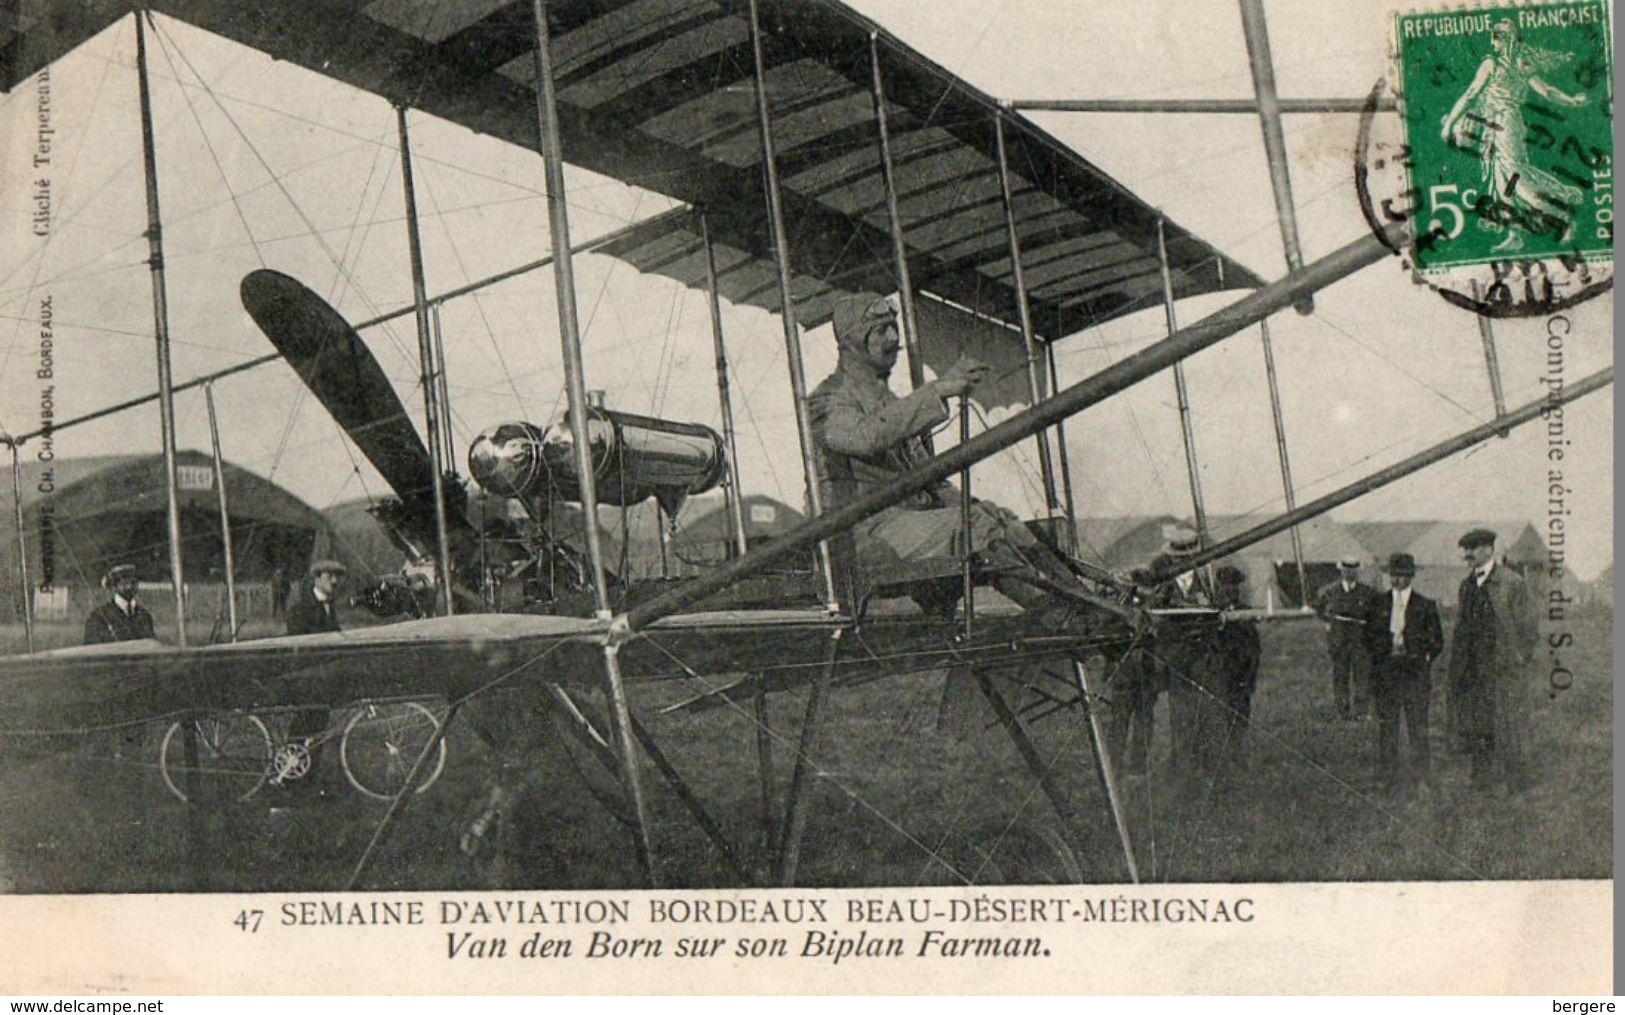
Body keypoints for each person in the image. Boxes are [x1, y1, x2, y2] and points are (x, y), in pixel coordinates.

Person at [807, 292, 1096, 626]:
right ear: (852, 341)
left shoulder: (891, 401)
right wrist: (937, 391)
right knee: (976, 524)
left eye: (894, 328)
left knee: (1001, 521)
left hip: (905, 524)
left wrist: (981, 507)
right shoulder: (826, 400)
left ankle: (1089, 602)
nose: (893, 339)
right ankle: (1065, 619)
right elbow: (864, 437)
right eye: (880, 331)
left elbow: (928, 478)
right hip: (861, 534)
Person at [1439, 18, 1590, 252]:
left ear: (1505, 38)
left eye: (1496, 36)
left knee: (1518, 180)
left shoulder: (1494, 64)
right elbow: (1548, 91)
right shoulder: (1520, 63)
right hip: (1496, 124)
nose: (1492, 41)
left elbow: (1470, 94)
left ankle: (1564, 214)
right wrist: (1571, 100)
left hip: (1505, 124)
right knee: (1503, 184)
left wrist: (1449, 123)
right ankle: (1515, 234)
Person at [1446, 528, 1537, 792]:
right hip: (1473, 668)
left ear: (1488, 549)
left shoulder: (1512, 582)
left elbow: (1529, 626)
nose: (1467, 554)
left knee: (1509, 725)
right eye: (1465, 549)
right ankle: (1481, 779)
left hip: (1502, 668)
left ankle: (1516, 781)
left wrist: (1519, 658)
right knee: (1478, 722)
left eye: (1472, 548)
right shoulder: (1466, 585)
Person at [1361, 552, 1443, 792]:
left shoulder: (1425, 605)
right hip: (1387, 675)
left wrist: (1421, 657)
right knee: (1387, 728)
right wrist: (1383, 651)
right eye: (1393, 576)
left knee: (1418, 728)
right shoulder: (1377, 604)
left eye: (1402, 576)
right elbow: (1367, 637)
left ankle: (1421, 778)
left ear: (1411, 576)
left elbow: (1437, 641)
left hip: (1414, 676)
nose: (1396, 581)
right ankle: (1387, 777)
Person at [1313, 558, 1379, 720]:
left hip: (1360, 641)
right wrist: (1329, 622)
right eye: (1346, 569)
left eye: (1353, 570)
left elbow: (1377, 613)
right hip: (1339, 641)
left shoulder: (1368, 592)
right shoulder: (1330, 592)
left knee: (1362, 675)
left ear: (1358, 571)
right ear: (1341, 571)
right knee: (1340, 674)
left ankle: (1362, 711)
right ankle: (1343, 710)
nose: (1350, 573)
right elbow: (1318, 608)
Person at [83, 564, 157, 644]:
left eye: (133, 583)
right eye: (124, 583)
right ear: (114, 586)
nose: (129, 587)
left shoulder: (144, 616)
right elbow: (92, 649)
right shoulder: (99, 616)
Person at [286, 559, 347, 635]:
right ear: (317, 578)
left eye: (337, 576)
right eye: (329, 576)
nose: (334, 581)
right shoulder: (299, 610)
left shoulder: (330, 605)